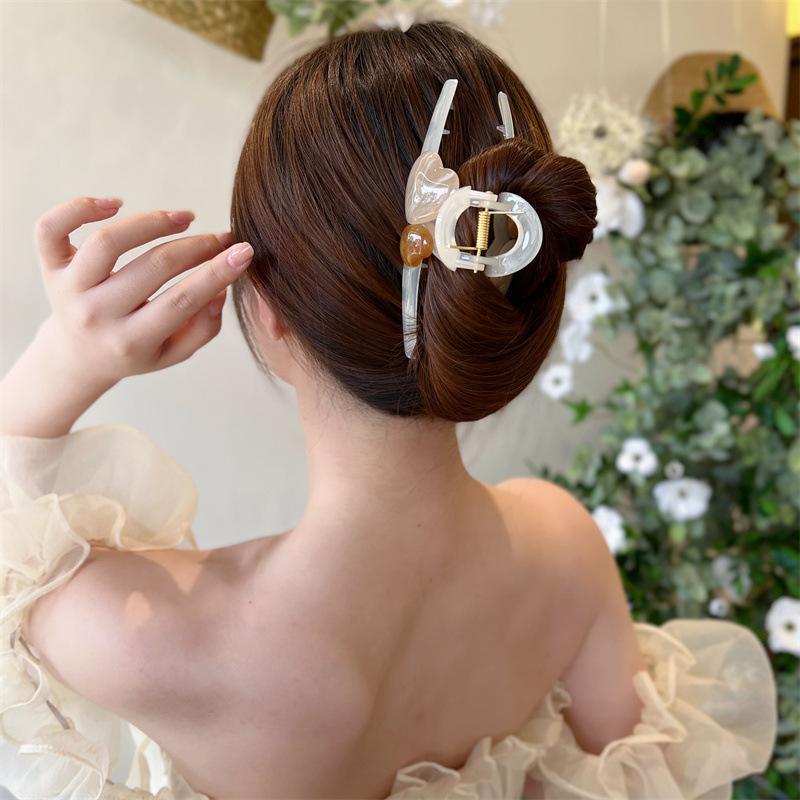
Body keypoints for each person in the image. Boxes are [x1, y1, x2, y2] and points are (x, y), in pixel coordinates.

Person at [0, 19, 777, 800]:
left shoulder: (151, 637)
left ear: (267, 310)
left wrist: (63, 362)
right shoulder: (563, 550)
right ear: (513, 291)